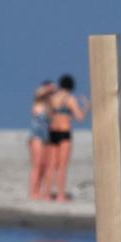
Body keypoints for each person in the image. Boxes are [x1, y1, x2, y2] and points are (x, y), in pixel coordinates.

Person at [41, 74, 85, 202]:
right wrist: (87, 106)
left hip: (53, 132)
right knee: (62, 166)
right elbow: (80, 117)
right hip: (64, 132)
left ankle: (47, 194)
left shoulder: (52, 98)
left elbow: (48, 115)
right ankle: (60, 195)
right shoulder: (70, 99)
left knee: (51, 165)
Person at [27, 79, 58, 201]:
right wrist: (49, 88)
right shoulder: (38, 101)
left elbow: (53, 116)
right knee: (37, 164)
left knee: (44, 165)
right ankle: (33, 191)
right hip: (36, 136)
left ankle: (40, 191)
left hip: (46, 136)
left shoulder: (48, 104)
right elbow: (38, 93)